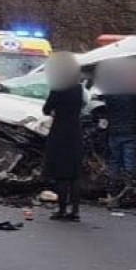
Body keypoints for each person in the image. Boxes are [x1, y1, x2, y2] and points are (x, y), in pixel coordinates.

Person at [42, 51, 84, 221]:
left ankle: (61, 209)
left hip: (60, 131)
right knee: (74, 174)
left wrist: (53, 110)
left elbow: (46, 108)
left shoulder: (58, 88)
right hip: (75, 131)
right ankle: (75, 210)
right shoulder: (78, 88)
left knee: (61, 173)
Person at [101, 92, 136, 205]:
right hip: (131, 132)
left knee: (114, 162)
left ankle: (112, 193)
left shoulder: (112, 95)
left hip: (114, 130)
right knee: (129, 164)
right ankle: (127, 193)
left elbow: (107, 108)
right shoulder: (135, 95)